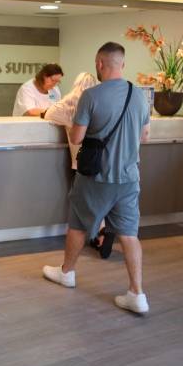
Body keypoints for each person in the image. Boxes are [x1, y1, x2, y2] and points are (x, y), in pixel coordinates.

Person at [42, 42, 151, 315]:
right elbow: (144, 136)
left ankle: (67, 272)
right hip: (129, 178)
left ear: (99, 63)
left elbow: (77, 137)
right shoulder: (139, 95)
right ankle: (137, 293)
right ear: (122, 64)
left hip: (97, 177)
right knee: (129, 234)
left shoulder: (91, 96)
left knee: (79, 224)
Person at [44, 73, 115, 259]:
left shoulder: (72, 100)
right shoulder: (99, 99)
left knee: (83, 202)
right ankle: (100, 232)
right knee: (97, 198)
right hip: (103, 159)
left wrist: (44, 113)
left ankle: (99, 233)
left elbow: (51, 114)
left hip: (82, 161)